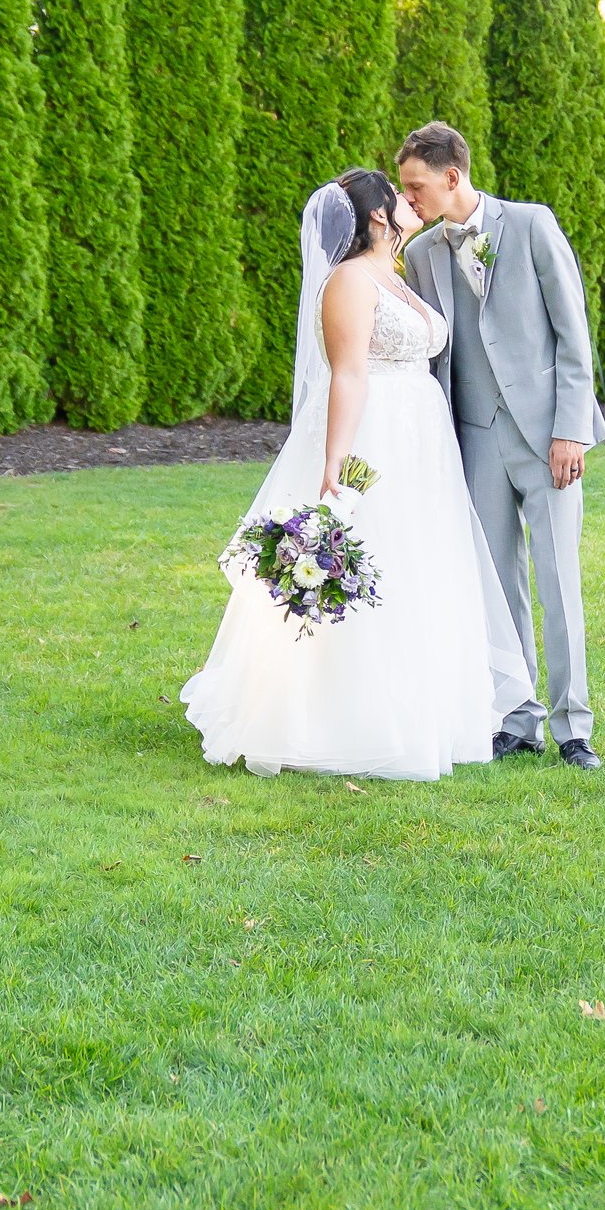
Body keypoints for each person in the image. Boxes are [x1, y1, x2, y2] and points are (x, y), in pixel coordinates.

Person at [180, 170, 532, 780]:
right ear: (377, 216)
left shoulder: (392, 274)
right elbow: (347, 373)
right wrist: (335, 463)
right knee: (377, 561)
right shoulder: (347, 281)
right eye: (399, 196)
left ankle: (423, 710)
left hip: (421, 442)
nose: (410, 200)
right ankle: (347, 719)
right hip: (376, 437)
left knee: (419, 566)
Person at [396, 122, 605, 770]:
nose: (409, 198)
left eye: (417, 186)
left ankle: (574, 728)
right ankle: (518, 719)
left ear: (452, 176)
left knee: (558, 581)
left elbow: (573, 333)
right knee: (497, 584)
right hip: (475, 436)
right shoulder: (423, 253)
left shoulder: (532, 225)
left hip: (547, 435)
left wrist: (571, 429)